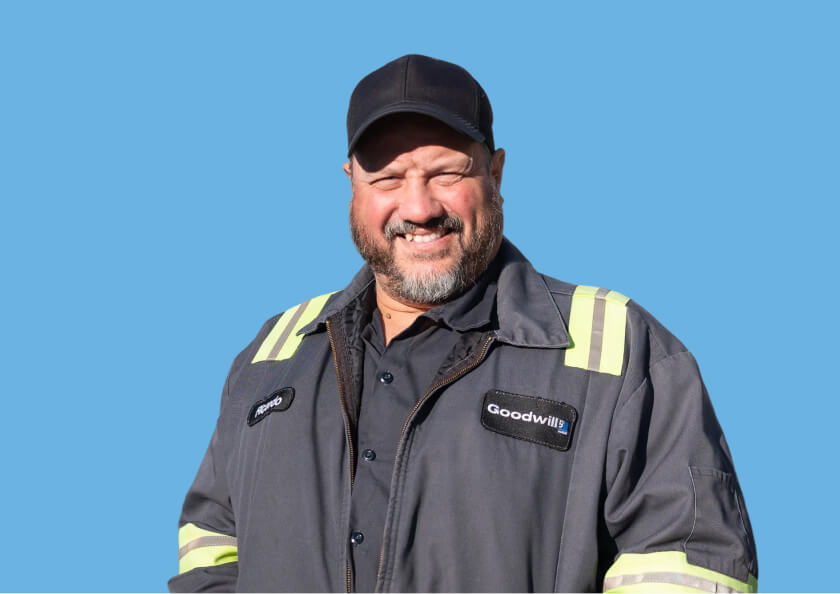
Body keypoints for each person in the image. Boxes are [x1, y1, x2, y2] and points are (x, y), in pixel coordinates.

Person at [169, 54, 758, 593]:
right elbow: (210, 548)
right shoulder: (272, 355)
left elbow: (691, 564)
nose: (419, 207)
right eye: (388, 179)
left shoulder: (617, 350)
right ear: (350, 181)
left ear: (496, 173)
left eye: (446, 174)